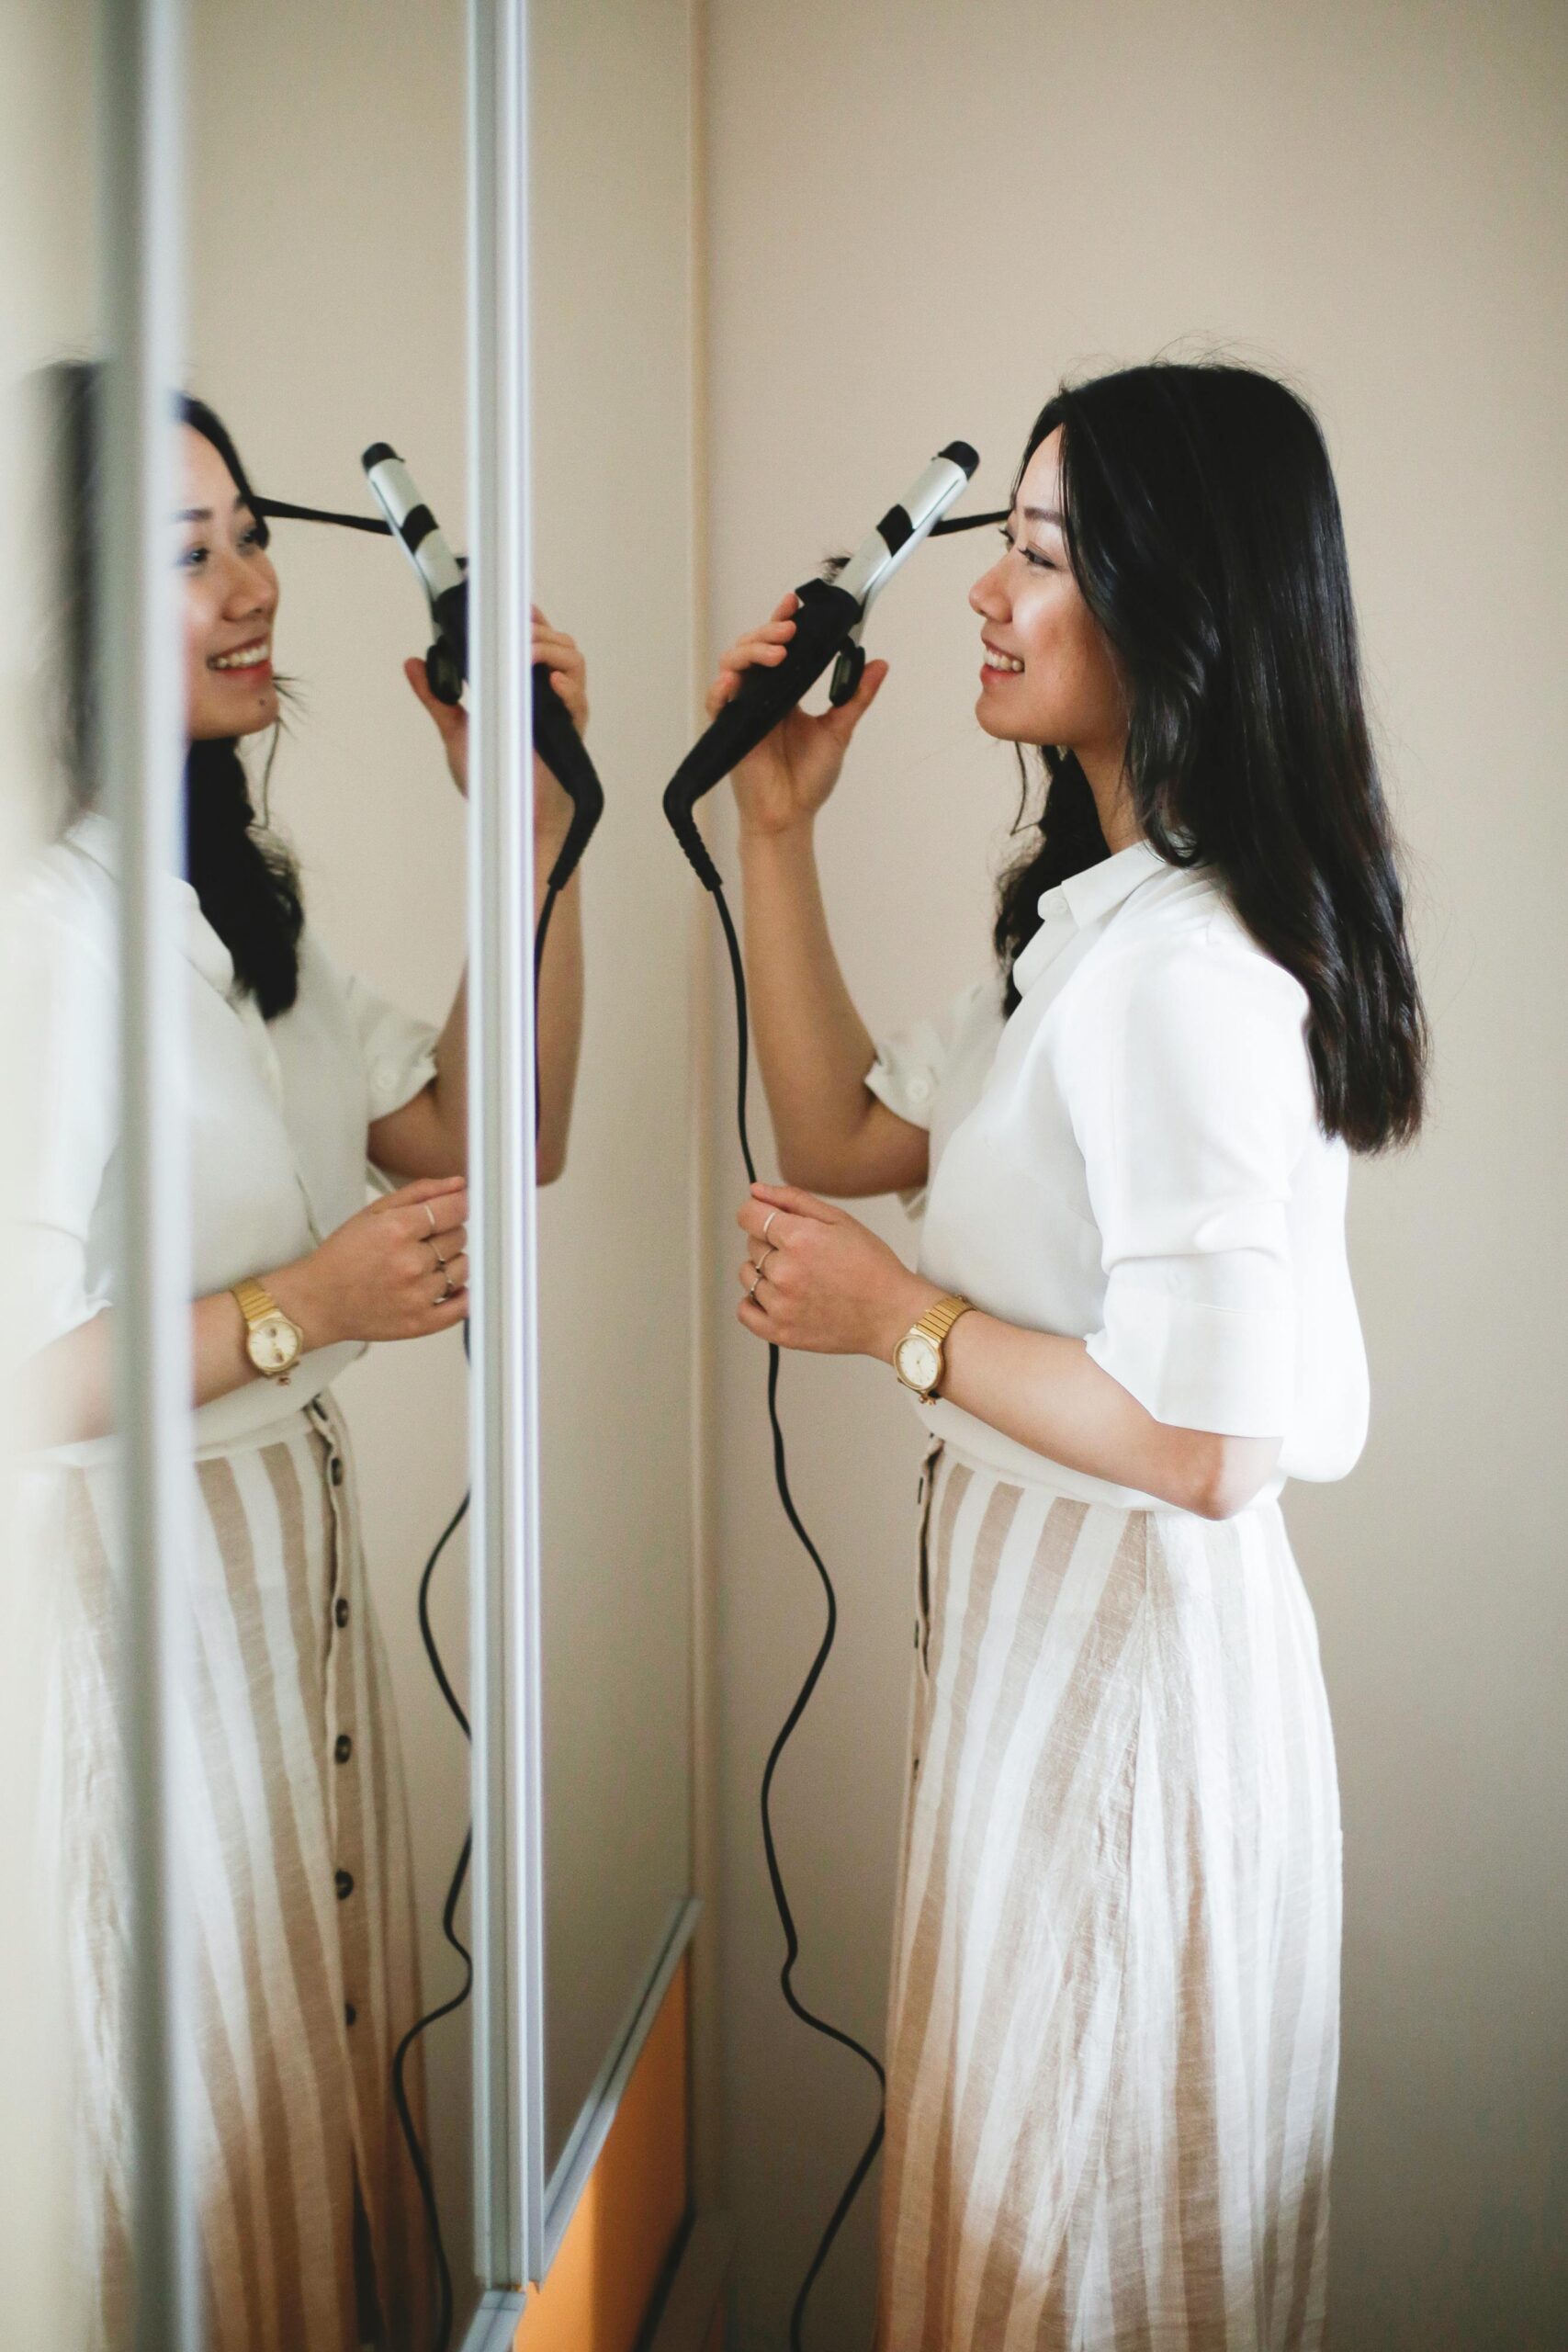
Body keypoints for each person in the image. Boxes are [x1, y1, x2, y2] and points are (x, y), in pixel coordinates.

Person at [714, 360, 1426, 2351]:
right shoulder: (1093, 933)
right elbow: (843, 1134)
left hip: (1125, 1698)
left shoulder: (1194, 972)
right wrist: (774, 823)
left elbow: (1210, 1442)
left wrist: (900, 1326)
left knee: (1077, 2257)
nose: (977, 592)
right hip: (1046, 1664)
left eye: (1035, 553)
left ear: (1171, 598)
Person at [15, 366, 587, 2350]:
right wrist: (304, 1309)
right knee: (191, 2162)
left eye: (253, 531)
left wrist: (528, 830)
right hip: (134, 1634)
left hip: (289, 1614)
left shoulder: (232, 915)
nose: (254, 581)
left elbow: (499, 1141)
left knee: (313, 2124)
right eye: (190, 553)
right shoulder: (44, 941)